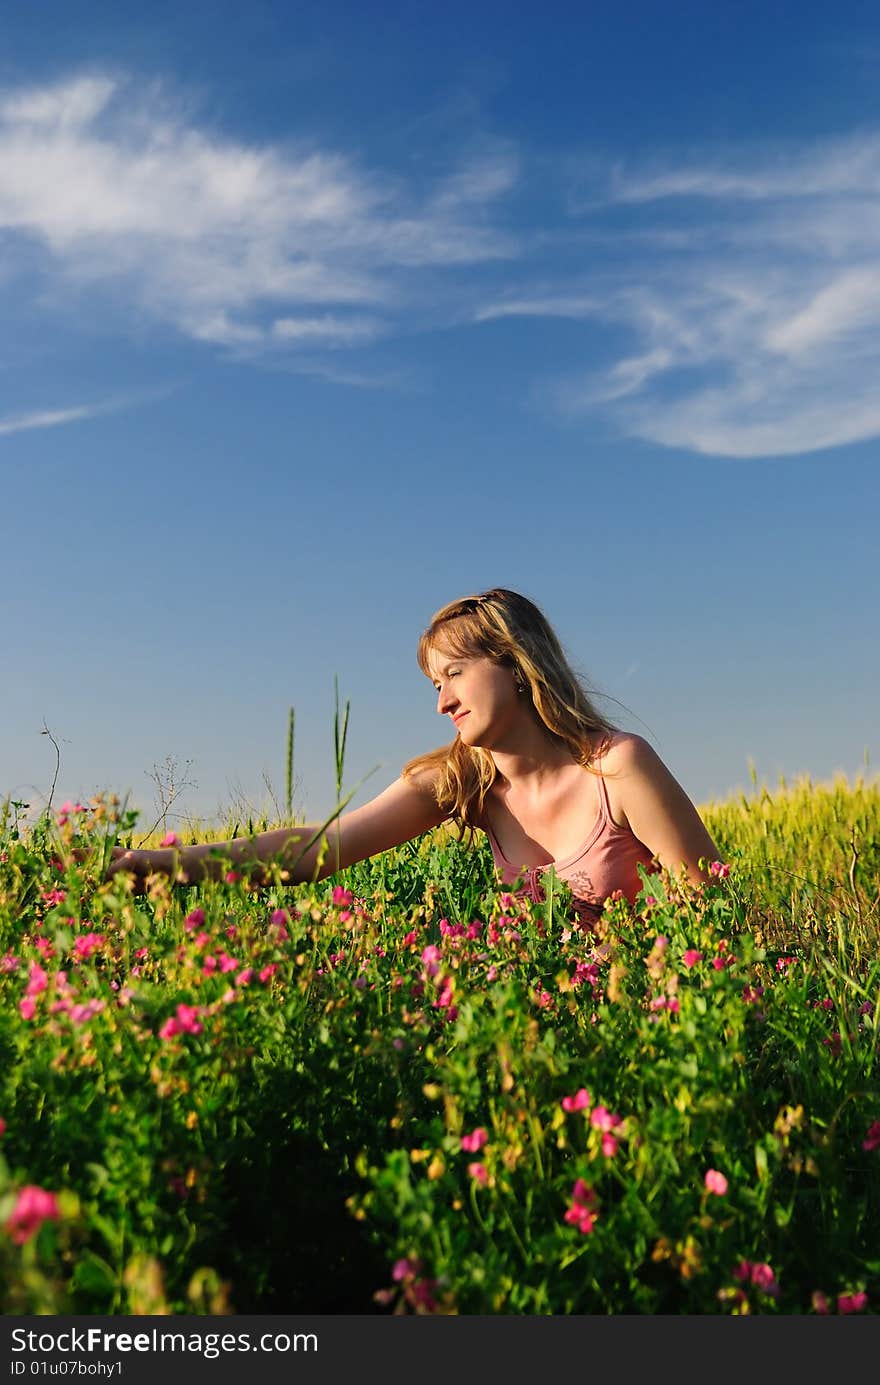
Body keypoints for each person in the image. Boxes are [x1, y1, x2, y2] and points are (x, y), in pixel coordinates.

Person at [107, 588, 722, 928]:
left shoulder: (618, 768)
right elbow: (314, 850)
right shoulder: (462, 783)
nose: (444, 702)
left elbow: (713, 912)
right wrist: (158, 864)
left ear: (514, 664)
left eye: (454, 674)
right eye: (435, 685)